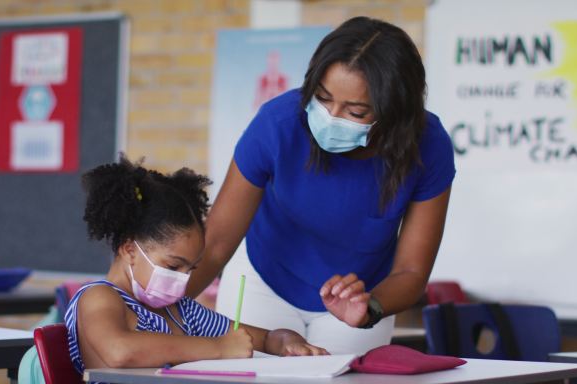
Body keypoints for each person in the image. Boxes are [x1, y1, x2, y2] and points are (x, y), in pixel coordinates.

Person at [187, 16, 456, 355]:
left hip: (357, 301)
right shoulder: (277, 124)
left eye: (356, 112)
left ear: (395, 112)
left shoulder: (428, 146)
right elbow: (215, 244)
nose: (331, 116)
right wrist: (156, 310)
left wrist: (368, 308)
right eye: (323, 97)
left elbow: (411, 272)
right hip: (263, 282)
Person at [65, 155, 327, 375]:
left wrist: (287, 342)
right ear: (129, 249)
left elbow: (263, 339)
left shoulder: (180, 311)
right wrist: (220, 349)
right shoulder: (99, 296)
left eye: (191, 268)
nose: (184, 279)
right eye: (173, 266)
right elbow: (119, 350)